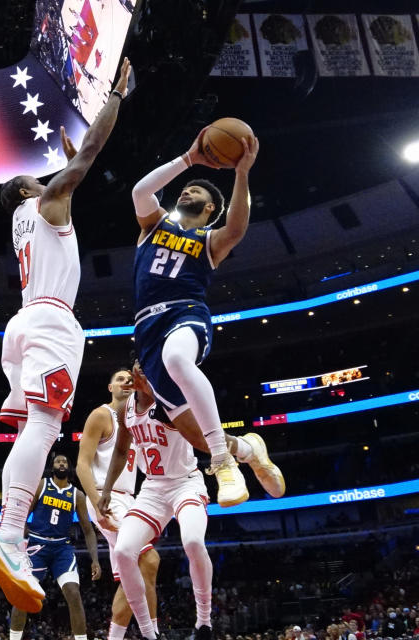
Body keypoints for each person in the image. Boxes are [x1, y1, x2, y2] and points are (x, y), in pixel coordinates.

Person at [0, 57, 132, 613]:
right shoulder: (44, 203)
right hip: (50, 321)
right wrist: (114, 97)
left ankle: (10, 533)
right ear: (25, 188)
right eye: (37, 176)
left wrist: (67, 178)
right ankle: (11, 534)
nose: (46, 177)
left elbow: (64, 195)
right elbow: (90, 155)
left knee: (31, 432)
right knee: (42, 430)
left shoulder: (28, 218)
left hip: (23, 324)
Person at [129, 127, 283, 507]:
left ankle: (223, 462)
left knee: (178, 358)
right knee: (194, 432)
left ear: (210, 207)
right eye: (185, 189)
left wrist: (242, 173)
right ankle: (248, 449)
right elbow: (140, 192)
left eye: (195, 191)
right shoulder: (154, 225)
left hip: (187, 312)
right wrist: (188, 159)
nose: (186, 191)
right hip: (147, 329)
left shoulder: (210, 240)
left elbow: (237, 228)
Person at [98, 363, 216, 640]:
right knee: (124, 552)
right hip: (152, 488)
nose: (139, 376)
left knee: (193, 542)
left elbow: (200, 437)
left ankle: (204, 622)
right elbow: (120, 451)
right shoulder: (126, 409)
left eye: (146, 371)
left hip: (185, 482)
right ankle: (149, 633)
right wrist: (105, 491)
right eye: (139, 370)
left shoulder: (170, 400)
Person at [76, 368, 161, 640]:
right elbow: (81, 465)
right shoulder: (102, 415)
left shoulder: (138, 418)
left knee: (131, 576)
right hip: (105, 496)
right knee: (148, 558)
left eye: (129, 379)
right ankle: (153, 633)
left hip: (130, 498)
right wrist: (95, 501)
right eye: (120, 379)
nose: (126, 382)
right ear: (110, 387)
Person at [8, 454, 101, 640]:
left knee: (74, 593)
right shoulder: (42, 484)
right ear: (53, 466)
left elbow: (88, 531)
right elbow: (23, 513)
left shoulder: (77, 495)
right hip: (37, 545)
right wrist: (22, 534)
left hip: (61, 549)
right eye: (58, 461)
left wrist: (95, 560)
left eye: (65, 461)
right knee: (24, 593)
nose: (61, 463)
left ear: (69, 467)